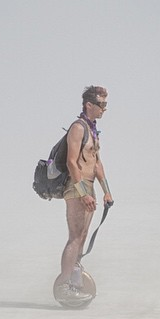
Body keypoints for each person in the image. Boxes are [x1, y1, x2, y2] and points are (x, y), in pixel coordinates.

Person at [54, 85, 114, 303]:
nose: (104, 109)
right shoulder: (78, 128)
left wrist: (106, 191)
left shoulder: (93, 130)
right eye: (102, 104)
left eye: (106, 105)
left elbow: (97, 163)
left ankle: (75, 276)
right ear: (89, 105)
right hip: (76, 187)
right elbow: (71, 162)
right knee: (74, 237)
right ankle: (63, 285)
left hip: (88, 187)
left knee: (83, 236)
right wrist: (82, 194)